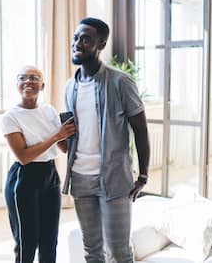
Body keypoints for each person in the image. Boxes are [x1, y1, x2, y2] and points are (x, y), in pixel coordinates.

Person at [62, 17, 150, 263]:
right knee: (92, 251)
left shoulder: (120, 81)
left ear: (100, 44)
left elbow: (140, 130)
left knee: (119, 252)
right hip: (80, 179)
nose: (78, 43)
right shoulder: (70, 87)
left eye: (86, 39)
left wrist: (143, 175)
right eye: (76, 37)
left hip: (114, 180)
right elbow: (73, 132)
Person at [2, 66, 76, 263]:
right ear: (17, 84)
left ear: (42, 85)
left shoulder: (49, 110)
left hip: (50, 175)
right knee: (27, 243)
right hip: (24, 178)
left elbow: (62, 147)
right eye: (22, 77)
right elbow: (24, 156)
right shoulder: (11, 116)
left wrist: (71, 133)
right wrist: (57, 136)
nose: (28, 81)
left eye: (34, 78)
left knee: (49, 241)